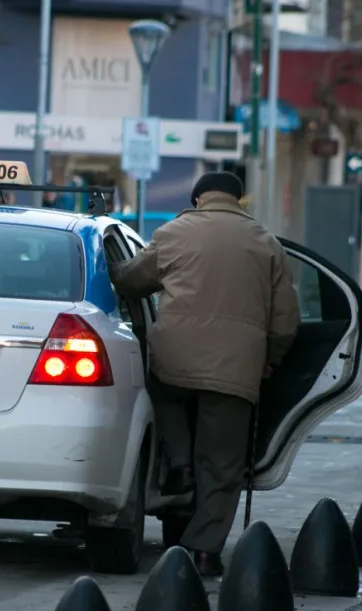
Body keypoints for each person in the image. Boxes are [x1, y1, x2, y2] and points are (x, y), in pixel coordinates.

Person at [109, 171, 301, 576]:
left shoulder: (174, 232)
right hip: (235, 371)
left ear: (198, 199)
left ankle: (180, 461)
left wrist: (108, 263)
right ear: (237, 200)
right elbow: (286, 322)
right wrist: (264, 364)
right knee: (224, 466)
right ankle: (203, 551)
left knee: (164, 393)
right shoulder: (266, 244)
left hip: (174, 359)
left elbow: (129, 281)